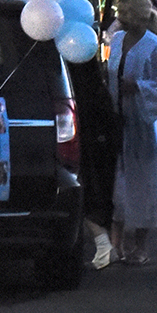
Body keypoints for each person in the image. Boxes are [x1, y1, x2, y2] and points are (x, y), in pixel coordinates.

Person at [106, 0, 157, 265]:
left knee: (144, 183)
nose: (121, 19)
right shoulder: (116, 41)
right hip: (118, 121)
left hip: (144, 126)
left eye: (125, 13)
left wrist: (138, 87)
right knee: (117, 183)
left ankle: (139, 245)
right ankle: (115, 245)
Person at [67, 49, 121, 269]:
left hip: (84, 141)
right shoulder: (97, 87)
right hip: (101, 141)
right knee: (99, 191)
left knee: (82, 191)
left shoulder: (72, 85)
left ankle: (102, 243)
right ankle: (106, 243)